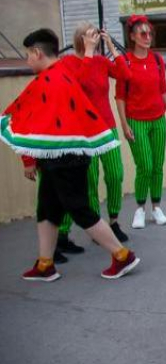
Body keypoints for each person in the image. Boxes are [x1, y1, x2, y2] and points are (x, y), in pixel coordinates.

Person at [2, 28, 139, 282]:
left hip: (64, 158)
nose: (27, 61)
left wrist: (27, 157)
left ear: (37, 52)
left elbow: (27, 119)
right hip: (62, 155)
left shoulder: (51, 79)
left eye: (27, 56)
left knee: (79, 209)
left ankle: (122, 255)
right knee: (47, 208)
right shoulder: (64, 70)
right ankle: (45, 264)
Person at [56, 24, 131, 254]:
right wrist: (88, 53)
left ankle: (114, 220)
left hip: (106, 128)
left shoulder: (100, 61)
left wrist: (110, 45)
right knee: (89, 180)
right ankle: (95, 227)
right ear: (80, 39)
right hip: (82, 132)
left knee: (115, 174)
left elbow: (125, 75)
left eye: (95, 36)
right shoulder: (68, 62)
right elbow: (77, 84)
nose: (94, 39)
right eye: (90, 36)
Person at [115, 15, 166, 230]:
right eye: (143, 33)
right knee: (145, 166)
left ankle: (156, 207)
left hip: (158, 119)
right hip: (136, 120)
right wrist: (124, 124)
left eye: (150, 33)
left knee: (157, 166)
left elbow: (163, 91)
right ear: (132, 36)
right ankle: (140, 208)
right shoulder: (125, 62)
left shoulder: (157, 60)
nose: (147, 37)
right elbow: (120, 97)